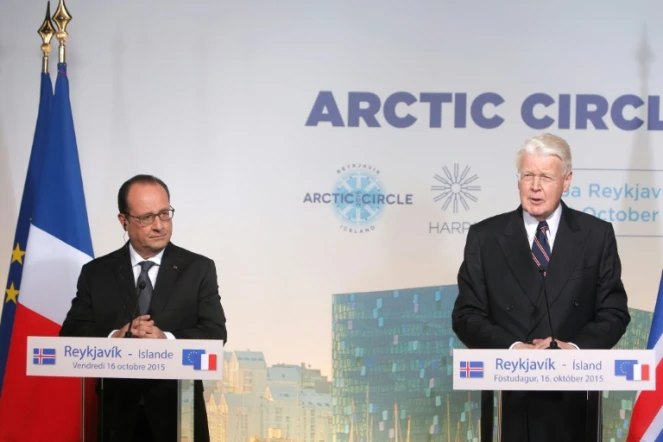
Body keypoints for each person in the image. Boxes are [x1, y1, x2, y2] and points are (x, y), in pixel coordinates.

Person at [451, 133, 630, 442]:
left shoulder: (596, 235)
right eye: (527, 176)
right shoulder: (486, 237)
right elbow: (467, 315)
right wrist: (514, 349)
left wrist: (572, 350)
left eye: (546, 177)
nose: (535, 186)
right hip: (508, 399)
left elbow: (613, 313)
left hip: (573, 401)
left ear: (567, 180)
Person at [60, 174, 227, 442]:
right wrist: (116, 335)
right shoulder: (96, 273)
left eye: (165, 213)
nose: (159, 225)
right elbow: (71, 334)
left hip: (178, 414)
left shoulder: (198, 269)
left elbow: (215, 333)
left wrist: (166, 339)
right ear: (123, 220)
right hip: (116, 416)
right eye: (146, 217)